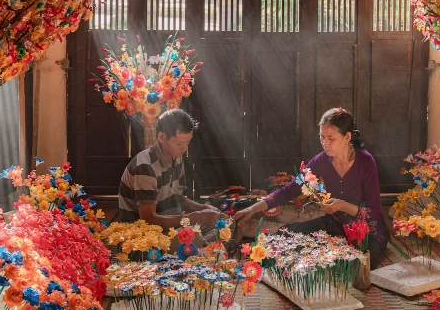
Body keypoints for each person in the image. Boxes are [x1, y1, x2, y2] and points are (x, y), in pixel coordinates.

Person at [233, 107, 389, 268]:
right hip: (335, 225)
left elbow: (374, 212)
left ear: (347, 137)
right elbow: (291, 189)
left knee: (356, 264)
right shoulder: (321, 160)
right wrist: (253, 209)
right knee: (283, 236)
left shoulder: (365, 162)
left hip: (367, 231)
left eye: (331, 138)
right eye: (322, 137)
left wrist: (342, 206)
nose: (325, 143)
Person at [117, 109, 220, 240]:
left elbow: (178, 198)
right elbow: (148, 220)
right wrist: (197, 217)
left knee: (218, 229)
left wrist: (204, 208)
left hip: (165, 223)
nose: (184, 148)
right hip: (141, 236)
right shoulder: (145, 166)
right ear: (161, 137)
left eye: (187, 143)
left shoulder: (176, 157)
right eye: (179, 143)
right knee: (202, 239)